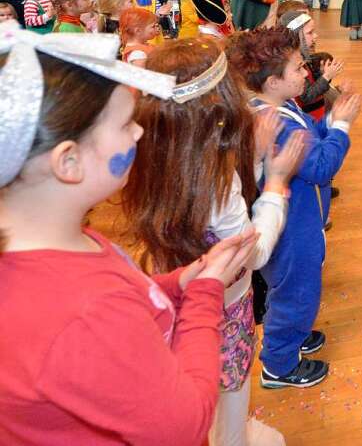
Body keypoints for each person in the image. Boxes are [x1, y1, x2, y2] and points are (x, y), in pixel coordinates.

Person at [0, 26, 259, 445]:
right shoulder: (85, 312)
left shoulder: (65, 244)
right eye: (125, 125)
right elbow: (185, 425)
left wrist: (175, 286)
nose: (140, 133)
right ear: (68, 161)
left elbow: (127, 299)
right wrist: (206, 294)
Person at [123, 39, 304, 446]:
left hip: (170, 282)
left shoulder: (155, 151)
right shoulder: (215, 185)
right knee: (229, 387)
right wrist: (275, 184)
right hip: (222, 300)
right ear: (217, 109)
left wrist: (254, 157)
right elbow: (252, 254)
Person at [227, 27, 361, 390]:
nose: (307, 74)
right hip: (292, 228)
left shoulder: (278, 105)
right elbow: (320, 166)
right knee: (297, 293)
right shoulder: (274, 121)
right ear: (273, 81)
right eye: (299, 69)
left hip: (295, 218)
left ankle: (292, 334)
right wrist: (343, 126)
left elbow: (311, 139)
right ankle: (280, 364)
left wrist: (330, 122)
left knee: (287, 289)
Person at [278, 9, 345, 122]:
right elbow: (307, 96)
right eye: (310, 33)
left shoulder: (301, 56)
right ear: (295, 36)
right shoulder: (294, 63)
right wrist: (326, 77)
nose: (315, 35)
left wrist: (321, 74)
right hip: (310, 117)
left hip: (317, 113)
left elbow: (311, 83)